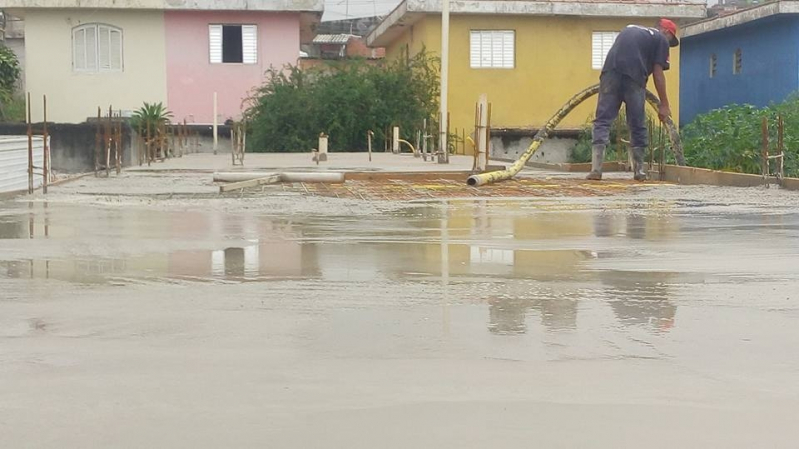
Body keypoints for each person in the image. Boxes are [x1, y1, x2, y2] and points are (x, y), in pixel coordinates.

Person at [587, 18, 679, 181]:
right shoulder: (660, 39)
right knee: (637, 122)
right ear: (666, 32)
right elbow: (658, 73)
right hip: (634, 77)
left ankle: (596, 169)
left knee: (602, 120)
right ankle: (639, 171)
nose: (669, 46)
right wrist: (664, 104)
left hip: (609, 73)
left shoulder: (630, 28)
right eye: (671, 40)